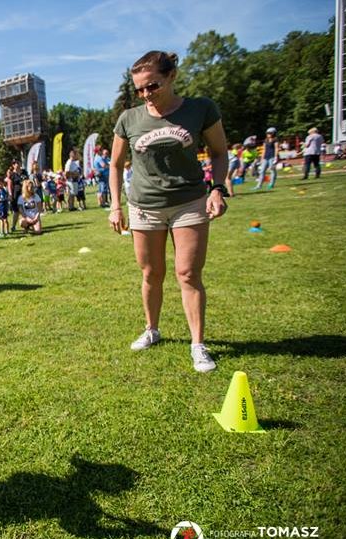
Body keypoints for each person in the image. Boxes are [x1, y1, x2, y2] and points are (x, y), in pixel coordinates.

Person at [108, 50, 228, 373]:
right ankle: (152, 329)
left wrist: (218, 188)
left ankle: (198, 345)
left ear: (172, 76)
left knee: (188, 273)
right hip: (144, 206)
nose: (147, 94)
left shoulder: (200, 109)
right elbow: (116, 165)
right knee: (151, 273)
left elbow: (219, 152)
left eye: (153, 86)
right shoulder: (128, 119)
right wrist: (116, 205)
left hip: (189, 201)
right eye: (140, 89)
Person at [5, 161, 25, 231]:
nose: (18, 165)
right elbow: (9, 185)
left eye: (19, 163)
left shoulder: (24, 172)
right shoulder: (12, 174)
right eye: (16, 164)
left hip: (24, 194)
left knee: (25, 209)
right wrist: (10, 195)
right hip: (15, 195)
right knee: (16, 211)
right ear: (13, 165)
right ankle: (13, 226)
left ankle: (26, 225)